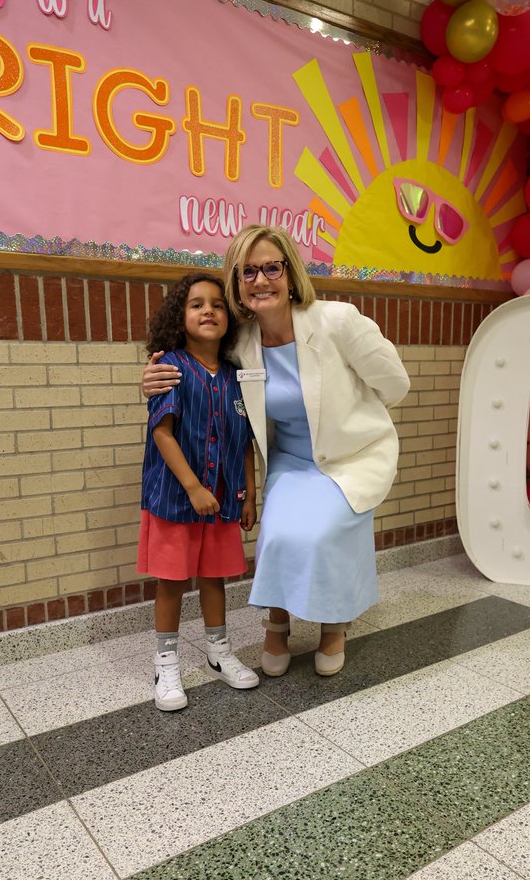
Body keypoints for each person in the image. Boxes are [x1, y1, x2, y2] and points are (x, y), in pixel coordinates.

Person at [143, 226, 409, 678]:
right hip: (290, 459)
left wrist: (351, 416)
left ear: (290, 273)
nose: (260, 280)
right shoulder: (240, 340)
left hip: (352, 457)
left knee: (325, 534)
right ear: (237, 283)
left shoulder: (338, 321)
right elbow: (192, 355)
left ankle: (333, 625)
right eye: (248, 272)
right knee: (280, 535)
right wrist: (149, 377)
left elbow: (395, 385)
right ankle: (278, 622)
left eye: (271, 267)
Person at [138, 272, 259, 712]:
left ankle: (218, 652)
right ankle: (165, 662)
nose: (208, 310)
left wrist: (248, 490)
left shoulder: (236, 377)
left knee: (215, 579)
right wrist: (192, 487)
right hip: (176, 500)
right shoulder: (169, 366)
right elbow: (162, 434)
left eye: (217, 304)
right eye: (196, 304)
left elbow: (245, 438)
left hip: (223, 501)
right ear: (180, 316)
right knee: (171, 583)